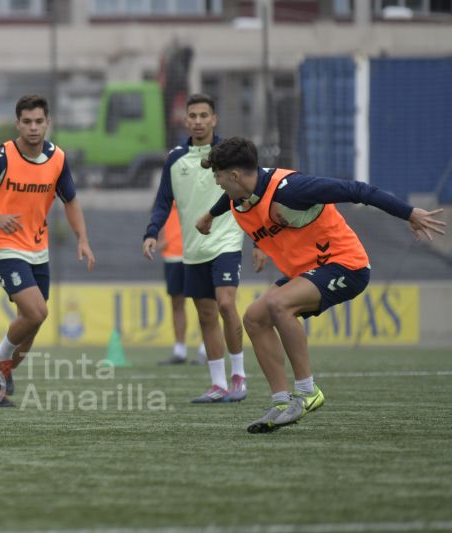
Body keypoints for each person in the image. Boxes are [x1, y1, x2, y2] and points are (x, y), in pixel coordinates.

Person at [195, 136, 446, 433]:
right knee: (254, 317)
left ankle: (307, 392)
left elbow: (357, 190)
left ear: (235, 175)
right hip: (306, 270)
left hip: (345, 265)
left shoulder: (293, 189)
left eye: (219, 177)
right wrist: (210, 215)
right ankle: (280, 402)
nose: (217, 183)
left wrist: (409, 213)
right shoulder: (240, 194)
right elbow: (232, 199)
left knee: (278, 304)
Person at [0, 94, 96, 407]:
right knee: (37, 311)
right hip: (2, 245)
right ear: (17, 124)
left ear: (47, 122)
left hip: (38, 247)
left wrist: (83, 238)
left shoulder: (58, 159)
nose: (33, 127)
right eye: (27, 122)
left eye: (39, 121)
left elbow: (71, 200)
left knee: (32, 325)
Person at [143, 93, 266, 403]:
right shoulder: (174, 159)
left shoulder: (232, 155)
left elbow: (254, 196)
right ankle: (218, 384)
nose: (198, 121)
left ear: (214, 120)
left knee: (226, 304)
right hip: (192, 248)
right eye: (193, 116)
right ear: (186, 121)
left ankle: (238, 375)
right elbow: (162, 201)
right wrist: (152, 232)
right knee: (206, 315)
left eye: (203, 116)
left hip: (226, 241)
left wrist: (260, 240)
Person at [157, 202, 207, 365]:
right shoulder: (168, 188)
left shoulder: (198, 185)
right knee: (176, 302)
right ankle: (179, 350)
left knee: (203, 302)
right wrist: (161, 238)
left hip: (195, 252)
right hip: (172, 254)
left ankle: (205, 348)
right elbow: (159, 212)